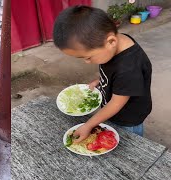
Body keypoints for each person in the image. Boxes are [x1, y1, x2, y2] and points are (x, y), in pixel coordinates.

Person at [53, 6, 152, 142]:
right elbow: (113, 71)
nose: (87, 62)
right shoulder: (114, 44)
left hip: (127, 118)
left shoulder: (128, 69)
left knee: (128, 145)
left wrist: (89, 125)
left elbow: (116, 103)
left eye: (88, 57)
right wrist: (101, 80)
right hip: (114, 109)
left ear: (111, 41)